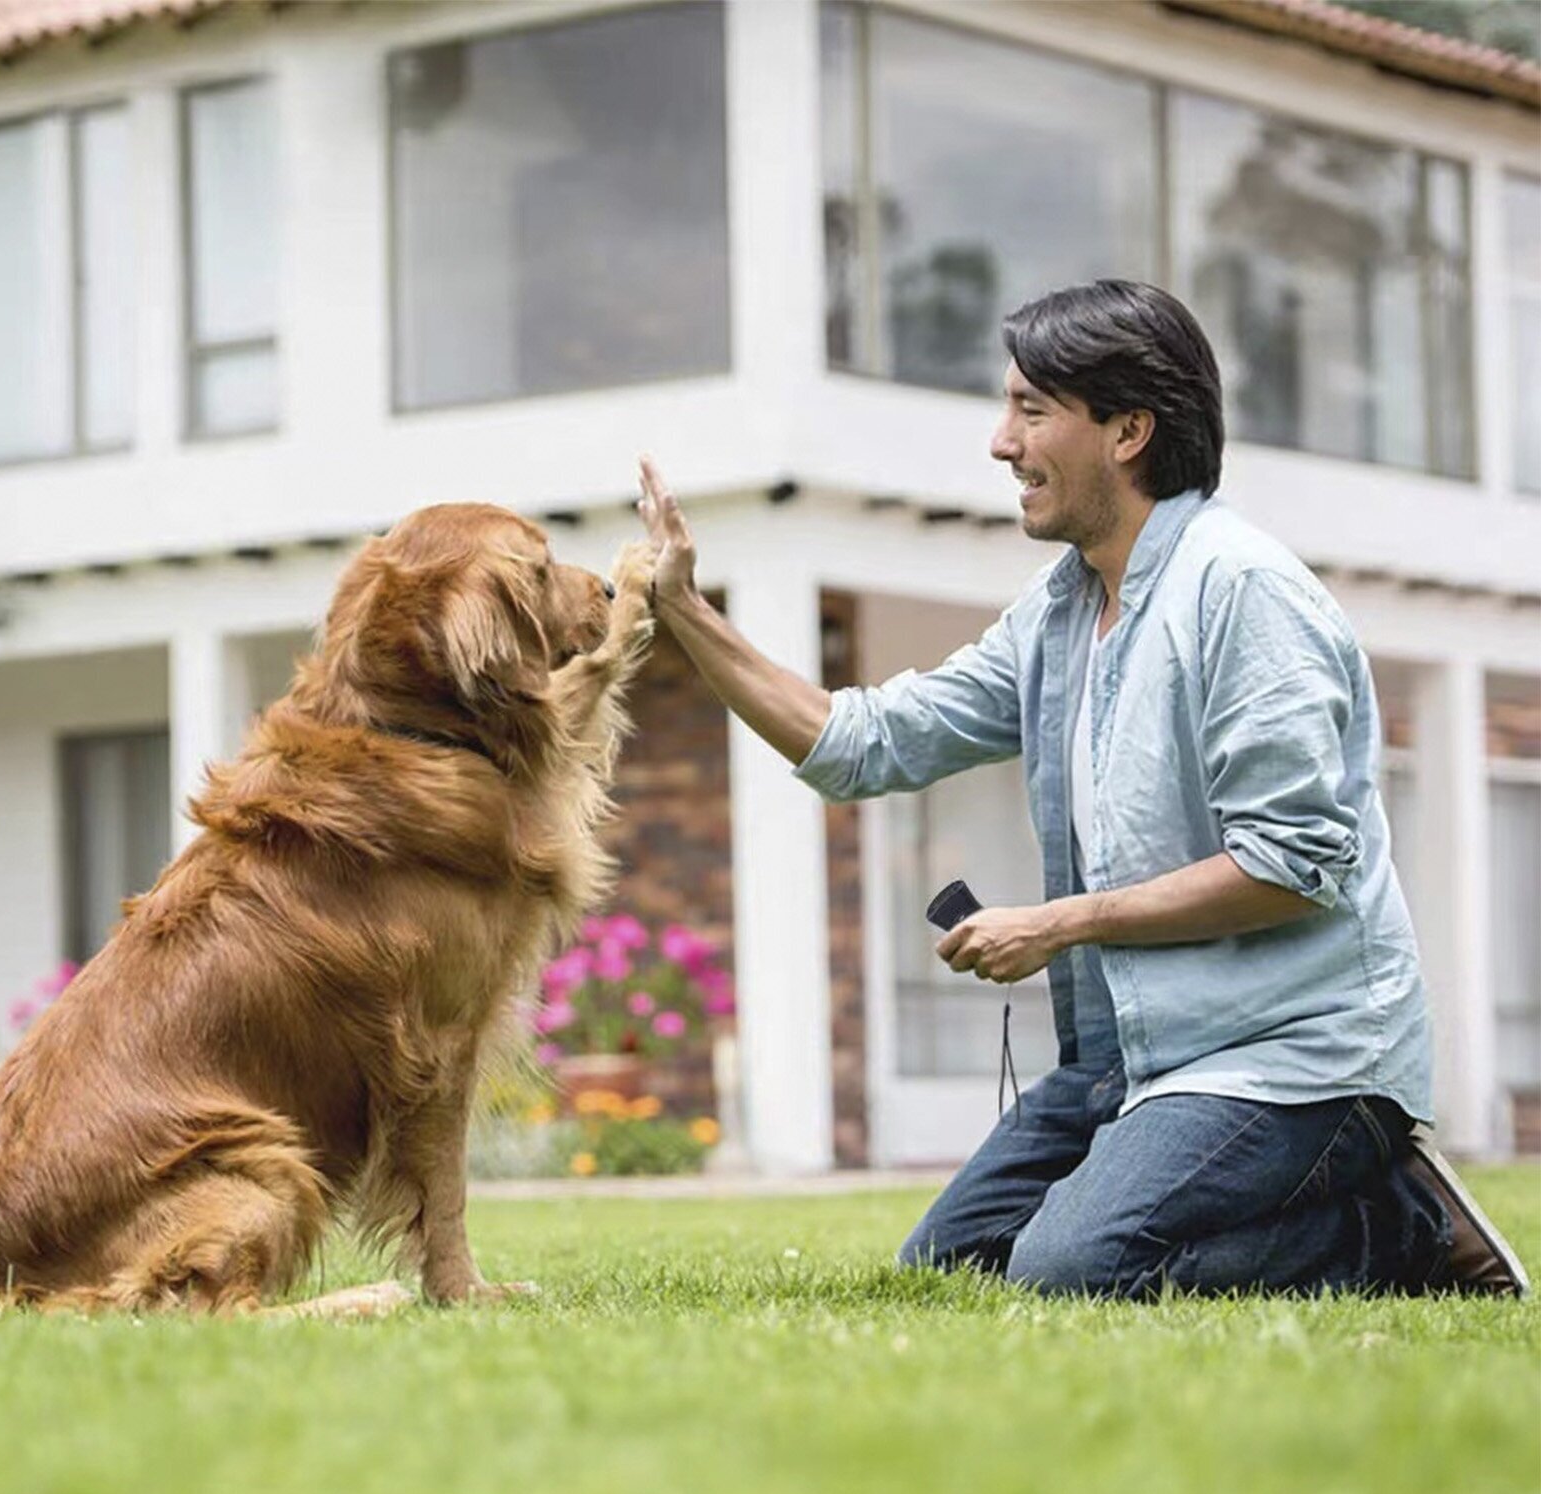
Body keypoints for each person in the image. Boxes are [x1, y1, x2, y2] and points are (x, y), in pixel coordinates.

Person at [634, 279, 1527, 1299]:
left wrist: (1059, 923)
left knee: (1073, 1268)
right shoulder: (1058, 616)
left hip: (1294, 1059)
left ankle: (1397, 1229)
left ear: (1127, 430)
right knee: (952, 1269)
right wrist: (687, 612)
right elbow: (863, 743)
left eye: (1029, 409)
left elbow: (1293, 868)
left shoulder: (1242, 593)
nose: (999, 443)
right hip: (1128, 1059)